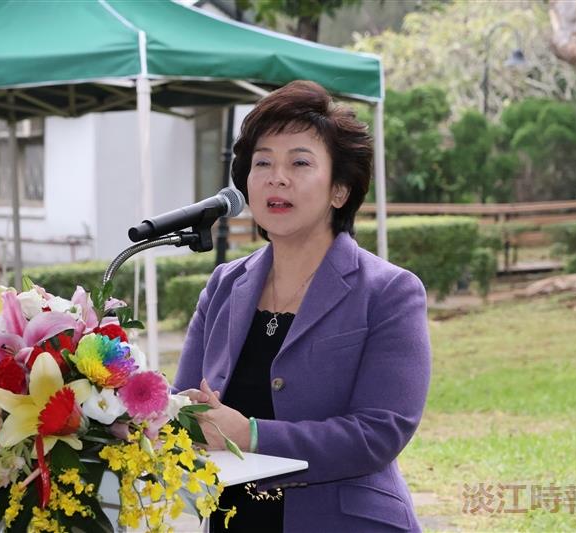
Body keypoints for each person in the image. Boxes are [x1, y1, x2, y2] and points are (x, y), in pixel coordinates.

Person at [174, 80, 431, 532]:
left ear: (339, 190)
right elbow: (184, 405)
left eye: (299, 162)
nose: (277, 177)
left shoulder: (390, 292)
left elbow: (380, 431)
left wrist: (251, 435)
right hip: (227, 518)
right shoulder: (223, 286)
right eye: (263, 162)